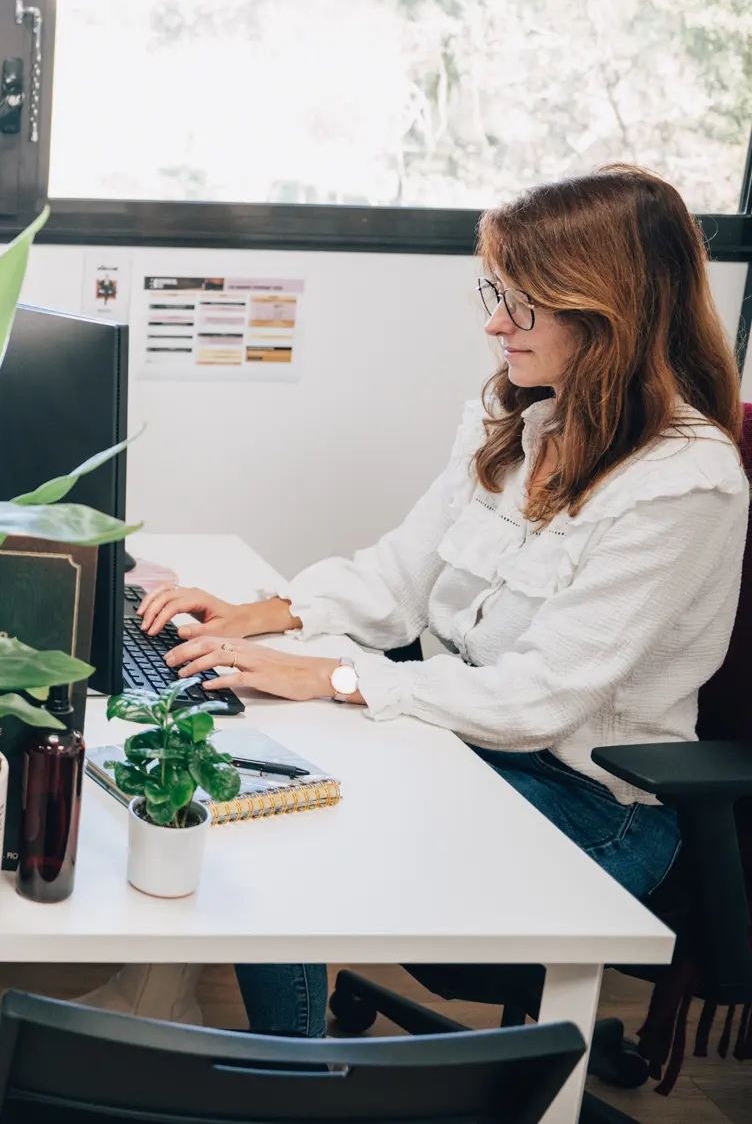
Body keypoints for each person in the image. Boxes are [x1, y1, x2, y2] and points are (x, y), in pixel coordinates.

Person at [118, 165, 749, 1036]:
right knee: (246, 763)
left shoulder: (685, 483)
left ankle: (291, 1082)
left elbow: (539, 698)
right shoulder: (520, 422)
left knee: (280, 831)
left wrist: (335, 679)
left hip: (590, 806)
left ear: (609, 311)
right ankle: (186, 1016)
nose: (496, 322)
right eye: (497, 292)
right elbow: (400, 577)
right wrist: (265, 614)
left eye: (524, 303)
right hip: (465, 737)